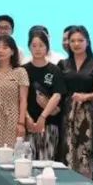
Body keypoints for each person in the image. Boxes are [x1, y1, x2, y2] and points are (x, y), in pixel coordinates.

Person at [58, 26, 93, 180]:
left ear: (87, 42)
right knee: (67, 154)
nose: (76, 44)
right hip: (67, 114)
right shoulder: (62, 64)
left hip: (88, 115)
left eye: (80, 40)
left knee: (85, 156)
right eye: (73, 41)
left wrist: (86, 96)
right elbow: (58, 91)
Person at [23, 32, 66, 161]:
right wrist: (27, 118)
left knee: (46, 163)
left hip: (49, 124)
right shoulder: (23, 70)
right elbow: (20, 97)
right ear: (29, 47)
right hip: (28, 124)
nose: (37, 49)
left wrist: (43, 117)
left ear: (47, 47)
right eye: (34, 45)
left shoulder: (54, 70)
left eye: (41, 45)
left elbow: (57, 95)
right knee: (26, 163)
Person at [0, 35, 28, 159]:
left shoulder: (20, 72)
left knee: (12, 154)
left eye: (5, 48)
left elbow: (23, 99)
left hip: (13, 116)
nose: (0, 51)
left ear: (13, 51)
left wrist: (21, 123)